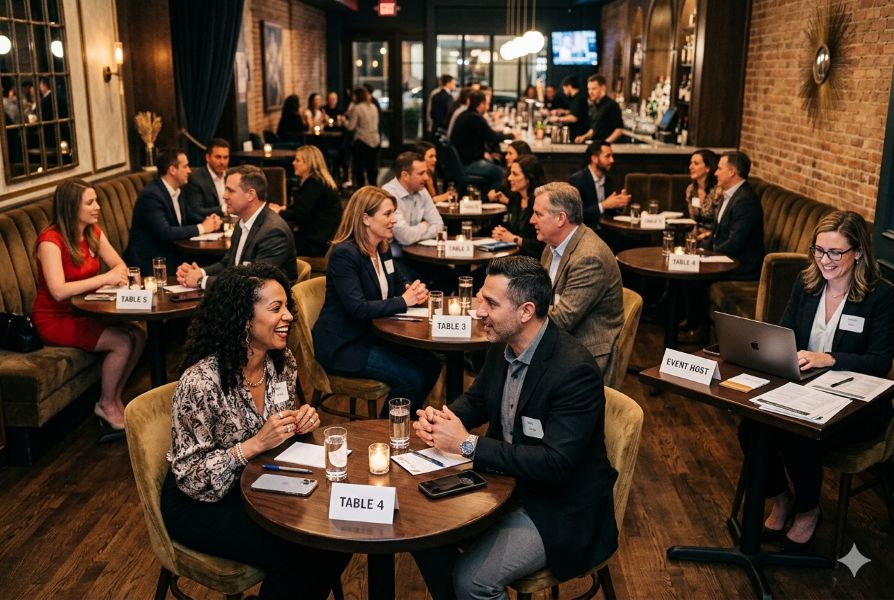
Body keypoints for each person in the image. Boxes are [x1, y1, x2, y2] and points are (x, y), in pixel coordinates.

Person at [411, 255, 618, 600]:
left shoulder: (573, 370)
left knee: (473, 581)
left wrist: (467, 445)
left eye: (491, 303)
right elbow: (478, 400)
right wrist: (442, 419)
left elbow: (555, 464)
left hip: (559, 506)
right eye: (481, 299)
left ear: (525, 311)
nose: (479, 312)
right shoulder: (502, 345)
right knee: (419, 529)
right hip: (505, 483)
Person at [161, 263, 351, 599]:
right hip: (202, 501)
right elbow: (191, 477)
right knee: (302, 552)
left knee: (337, 532)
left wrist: (298, 422)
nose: (290, 316)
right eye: (276, 308)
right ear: (245, 319)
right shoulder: (202, 383)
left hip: (261, 482)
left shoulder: (281, 362)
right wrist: (252, 445)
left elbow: (279, 425)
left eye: (287, 307)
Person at [740, 211, 894, 553]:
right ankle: (782, 499)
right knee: (751, 427)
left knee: (797, 434)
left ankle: (809, 509)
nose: (825, 260)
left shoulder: (879, 297)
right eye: (819, 250)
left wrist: (830, 359)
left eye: (835, 252)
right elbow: (786, 334)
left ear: (858, 252)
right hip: (805, 389)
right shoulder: (806, 284)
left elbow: (880, 363)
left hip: (858, 405)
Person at [312, 186, 441, 416]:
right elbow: (357, 308)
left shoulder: (381, 248)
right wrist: (404, 300)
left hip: (371, 335)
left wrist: (413, 290)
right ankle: (388, 434)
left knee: (431, 364)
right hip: (345, 344)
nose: (394, 220)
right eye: (388, 214)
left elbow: (399, 282)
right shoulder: (345, 255)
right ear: (366, 219)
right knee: (411, 379)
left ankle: (409, 423)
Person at [32, 179, 146, 430]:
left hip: (87, 310)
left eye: (96, 201)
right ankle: (105, 404)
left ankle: (115, 399)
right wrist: (104, 279)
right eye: (90, 202)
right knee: (122, 342)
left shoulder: (92, 232)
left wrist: (111, 278)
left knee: (138, 333)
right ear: (72, 207)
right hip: (55, 318)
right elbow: (58, 291)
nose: (97, 207)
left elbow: (120, 265)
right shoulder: (50, 241)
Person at [532, 182, 624, 371]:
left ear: (560, 218)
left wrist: (515, 313)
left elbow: (563, 319)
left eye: (538, 214)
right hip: (559, 340)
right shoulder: (551, 246)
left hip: (584, 354)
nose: (532, 220)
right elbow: (540, 295)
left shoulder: (589, 258)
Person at [176, 165, 297, 289]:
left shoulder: (273, 232)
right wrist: (200, 272)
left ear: (250, 194)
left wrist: (201, 281)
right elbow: (227, 265)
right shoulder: (241, 224)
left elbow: (253, 283)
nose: (224, 196)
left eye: (230, 190)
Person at [124, 148, 221, 275]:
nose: (189, 171)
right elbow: (165, 232)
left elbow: (191, 216)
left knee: (215, 262)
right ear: (172, 170)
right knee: (208, 265)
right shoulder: (151, 195)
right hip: (151, 262)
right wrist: (202, 228)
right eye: (185, 166)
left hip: (172, 253)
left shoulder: (177, 190)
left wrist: (211, 221)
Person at [381, 151, 450, 291]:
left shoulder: (421, 191)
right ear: (405, 175)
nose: (426, 177)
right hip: (394, 258)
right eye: (421, 173)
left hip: (420, 255)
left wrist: (416, 230)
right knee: (419, 286)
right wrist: (425, 225)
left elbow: (439, 224)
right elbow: (405, 237)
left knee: (450, 277)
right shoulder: (389, 194)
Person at [270, 145, 342, 257]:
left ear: (309, 164)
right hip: (321, 238)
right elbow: (303, 207)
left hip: (316, 243)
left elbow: (300, 214)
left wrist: (278, 212)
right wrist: (284, 208)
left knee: (273, 241)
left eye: (297, 160)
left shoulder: (314, 184)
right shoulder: (317, 181)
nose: (293, 163)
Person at [702, 150, 764, 280]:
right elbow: (716, 233)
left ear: (731, 172)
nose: (715, 173)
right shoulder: (729, 194)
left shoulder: (746, 200)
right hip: (723, 259)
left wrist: (708, 256)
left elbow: (735, 242)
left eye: (719, 169)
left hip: (740, 267)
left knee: (690, 279)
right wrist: (699, 252)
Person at [490, 155, 546, 259]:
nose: (509, 178)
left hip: (531, 262)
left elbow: (543, 246)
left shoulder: (539, 203)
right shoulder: (515, 199)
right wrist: (501, 233)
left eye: (515, 174)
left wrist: (514, 239)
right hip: (512, 257)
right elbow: (510, 230)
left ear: (529, 178)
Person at [567, 139, 630, 232]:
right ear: (594, 159)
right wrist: (603, 206)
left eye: (612, 156)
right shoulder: (576, 181)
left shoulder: (609, 180)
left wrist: (619, 204)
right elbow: (574, 216)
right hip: (586, 233)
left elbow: (610, 212)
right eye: (607, 156)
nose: (612, 160)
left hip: (608, 231)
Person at [450, 91, 506, 190]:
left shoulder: (464, 115)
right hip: (468, 164)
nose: (487, 107)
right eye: (486, 104)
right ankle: (488, 199)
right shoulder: (475, 118)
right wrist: (511, 135)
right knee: (501, 173)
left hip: (460, 162)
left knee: (496, 163)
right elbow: (492, 136)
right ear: (481, 104)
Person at [184, 138, 230, 218]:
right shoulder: (195, 178)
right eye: (218, 157)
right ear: (207, 158)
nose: (222, 162)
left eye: (225, 157)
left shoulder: (231, 176)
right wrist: (225, 208)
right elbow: (197, 211)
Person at [345, 86, 381, 187]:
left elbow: (351, 127)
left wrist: (345, 122)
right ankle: (374, 190)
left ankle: (362, 192)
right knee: (372, 170)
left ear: (357, 96)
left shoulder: (357, 108)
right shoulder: (374, 107)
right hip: (375, 140)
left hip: (362, 141)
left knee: (359, 169)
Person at [575, 74, 624, 144]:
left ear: (603, 88)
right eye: (589, 89)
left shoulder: (612, 105)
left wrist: (605, 143)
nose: (590, 92)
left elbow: (619, 130)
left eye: (594, 89)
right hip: (596, 145)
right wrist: (584, 137)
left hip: (608, 149)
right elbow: (595, 129)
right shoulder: (594, 105)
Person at [685, 149, 722, 240]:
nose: (690, 167)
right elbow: (693, 221)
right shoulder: (691, 189)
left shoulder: (718, 191)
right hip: (697, 237)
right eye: (691, 163)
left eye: (696, 164)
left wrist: (706, 236)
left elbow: (721, 224)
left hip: (715, 238)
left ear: (708, 168)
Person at [487, 140, 532, 205]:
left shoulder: (529, 177)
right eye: (506, 153)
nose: (506, 157)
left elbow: (525, 206)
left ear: (521, 155)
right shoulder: (508, 173)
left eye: (510, 154)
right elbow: (500, 189)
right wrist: (493, 193)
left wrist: (508, 202)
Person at [550, 76, 589, 140]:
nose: (564, 92)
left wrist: (557, 119)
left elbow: (574, 118)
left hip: (579, 134)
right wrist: (563, 111)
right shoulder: (574, 98)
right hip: (576, 134)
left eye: (564, 89)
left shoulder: (579, 98)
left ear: (569, 86)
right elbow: (576, 111)